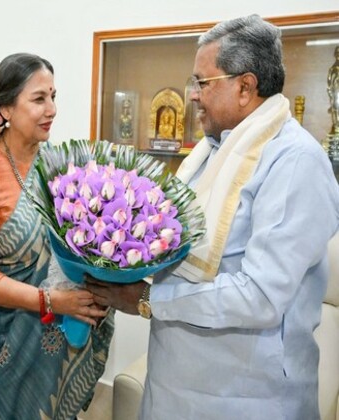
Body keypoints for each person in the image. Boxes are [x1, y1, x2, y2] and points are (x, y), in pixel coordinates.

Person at [86, 15, 339, 420]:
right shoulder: (212, 152)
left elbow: (259, 297)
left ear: (245, 86)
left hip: (244, 396)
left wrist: (149, 298)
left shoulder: (295, 163)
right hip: (176, 381)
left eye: (203, 83)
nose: (192, 96)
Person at [0, 52, 114, 420]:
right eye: (39, 98)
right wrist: (49, 301)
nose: (52, 109)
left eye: (53, 97)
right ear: (7, 109)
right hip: (3, 342)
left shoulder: (62, 167)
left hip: (59, 341)